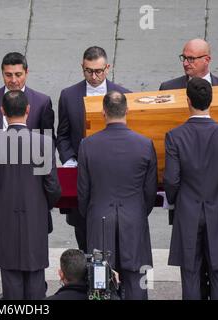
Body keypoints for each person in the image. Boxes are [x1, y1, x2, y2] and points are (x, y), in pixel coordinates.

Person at [0, 90, 61, 300]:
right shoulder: (44, 143)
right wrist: (43, 206)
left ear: (2, 111)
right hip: (36, 219)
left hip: (5, 220)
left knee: (10, 280)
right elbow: (52, 188)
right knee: (35, 277)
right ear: (28, 110)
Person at [77, 91, 158, 300]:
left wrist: (92, 213)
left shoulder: (87, 145)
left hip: (99, 220)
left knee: (99, 284)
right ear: (127, 110)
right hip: (134, 219)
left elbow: (83, 192)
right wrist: (138, 211)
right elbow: (150, 193)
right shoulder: (145, 144)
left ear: (103, 112)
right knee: (138, 281)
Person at [56, 46, 131, 252]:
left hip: (114, 179)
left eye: (98, 71)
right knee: (84, 238)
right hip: (82, 177)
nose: (94, 76)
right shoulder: (69, 95)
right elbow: (62, 135)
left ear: (107, 68)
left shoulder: (125, 95)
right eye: (89, 71)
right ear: (82, 67)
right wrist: (70, 160)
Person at [0, 52, 55, 237]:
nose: (13, 80)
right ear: (2, 74)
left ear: (26, 73)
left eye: (18, 74)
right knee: (2, 235)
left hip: (30, 182)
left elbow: (49, 140)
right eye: (8, 75)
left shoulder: (42, 102)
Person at [164, 78, 218, 300]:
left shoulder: (175, 136)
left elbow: (171, 180)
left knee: (190, 273)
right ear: (211, 100)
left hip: (188, 211)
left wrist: (177, 200)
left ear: (187, 100)